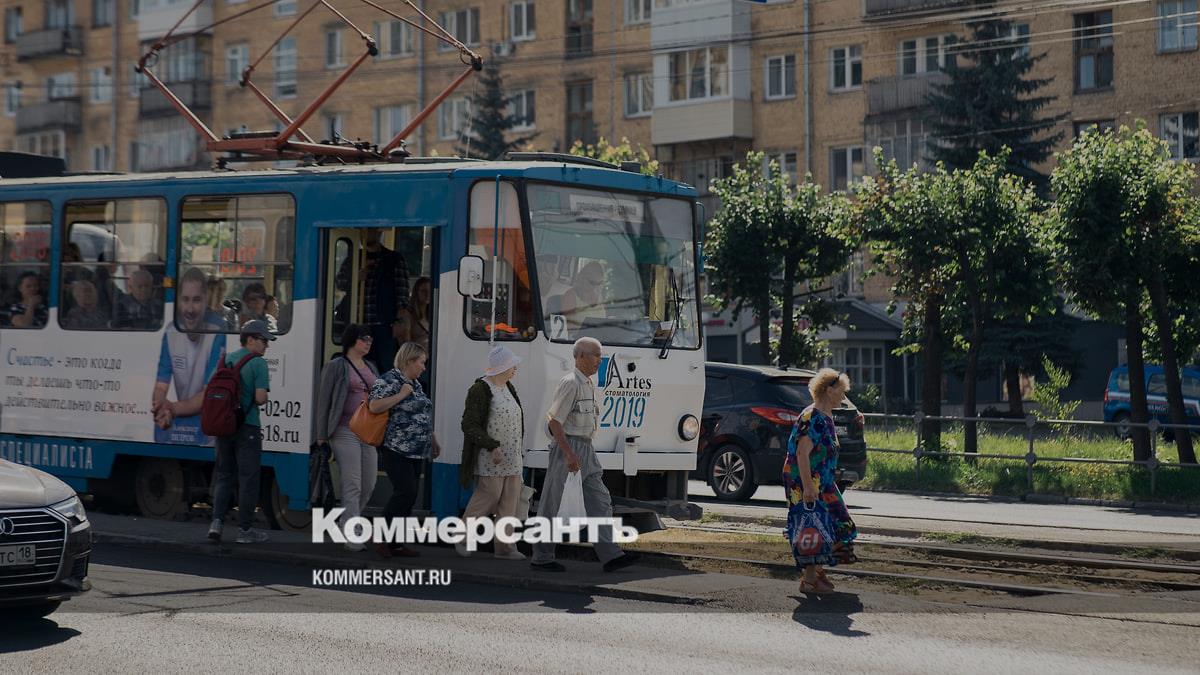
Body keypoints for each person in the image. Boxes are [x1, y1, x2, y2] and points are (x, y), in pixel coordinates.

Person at [530, 337, 639, 573]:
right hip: (568, 447)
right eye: (595, 355)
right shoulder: (571, 383)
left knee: (600, 500)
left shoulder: (587, 383)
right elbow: (554, 422)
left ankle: (611, 556)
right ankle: (541, 557)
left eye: (600, 355)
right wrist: (568, 453)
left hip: (586, 448)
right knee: (553, 502)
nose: (600, 359)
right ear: (580, 356)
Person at [785, 368, 859, 594]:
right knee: (814, 526)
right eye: (842, 391)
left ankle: (816, 571)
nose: (844, 397)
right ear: (829, 390)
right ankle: (809, 580)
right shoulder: (813, 417)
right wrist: (808, 486)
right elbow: (801, 453)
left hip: (823, 482)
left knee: (838, 525)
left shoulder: (825, 417)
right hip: (806, 482)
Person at [368, 341, 441, 558]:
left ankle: (396, 544)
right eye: (421, 362)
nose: (424, 367)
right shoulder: (390, 380)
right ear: (409, 361)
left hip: (417, 449)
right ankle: (380, 533)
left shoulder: (414, 384)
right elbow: (374, 406)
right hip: (396, 447)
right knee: (405, 491)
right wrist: (400, 395)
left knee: (410, 496)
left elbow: (422, 414)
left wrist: (432, 439)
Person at [207, 319, 274, 544]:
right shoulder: (258, 363)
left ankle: (216, 524)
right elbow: (260, 398)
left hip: (224, 426)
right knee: (248, 479)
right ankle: (244, 530)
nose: (266, 345)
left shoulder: (226, 359)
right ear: (251, 340)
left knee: (224, 475)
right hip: (248, 427)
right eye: (264, 340)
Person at [457, 345, 526, 560]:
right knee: (488, 496)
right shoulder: (480, 389)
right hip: (491, 456)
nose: (515, 368)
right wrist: (492, 445)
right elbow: (469, 425)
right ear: (502, 367)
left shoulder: (509, 387)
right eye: (512, 365)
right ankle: (462, 536)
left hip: (512, 457)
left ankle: (505, 547)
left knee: (510, 502)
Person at [315, 323, 380, 552]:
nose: (369, 343)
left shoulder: (371, 367)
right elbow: (324, 401)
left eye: (370, 339)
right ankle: (352, 533)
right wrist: (321, 435)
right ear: (352, 340)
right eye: (365, 339)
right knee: (352, 483)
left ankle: (347, 522)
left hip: (367, 432)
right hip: (344, 430)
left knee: (369, 483)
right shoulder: (336, 366)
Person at [152, 267, 227, 445]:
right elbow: (161, 386)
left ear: (206, 299)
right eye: (185, 300)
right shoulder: (171, 331)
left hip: (207, 429)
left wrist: (172, 409)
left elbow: (208, 393)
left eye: (196, 300)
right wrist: (160, 407)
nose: (190, 309)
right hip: (179, 420)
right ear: (178, 300)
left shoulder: (218, 330)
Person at [336, 229, 409, 372]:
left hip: (384, 326)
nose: (364, 234)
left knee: (384, 368)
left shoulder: (394, 259)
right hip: (358, 324)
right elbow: (340, 283)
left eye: (369, 230)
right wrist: (356, 278)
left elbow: (403, 294)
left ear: (378, 232)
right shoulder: (354, 258)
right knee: (358, 368)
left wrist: (400, 322)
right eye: (362, 231)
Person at [559, 261, 607, 331]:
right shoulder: (571, 296)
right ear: (583, 278)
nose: (595, 287)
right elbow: (568, 328)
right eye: (592, 282)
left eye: (599, 283)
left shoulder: (599, 297)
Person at [396, 277, 432, 354]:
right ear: (416, 292)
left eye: (430, 291)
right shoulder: (406, 314)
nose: (427, 294)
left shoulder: (433, 314)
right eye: (423, 291)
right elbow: (405, 345)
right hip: (415, 357)